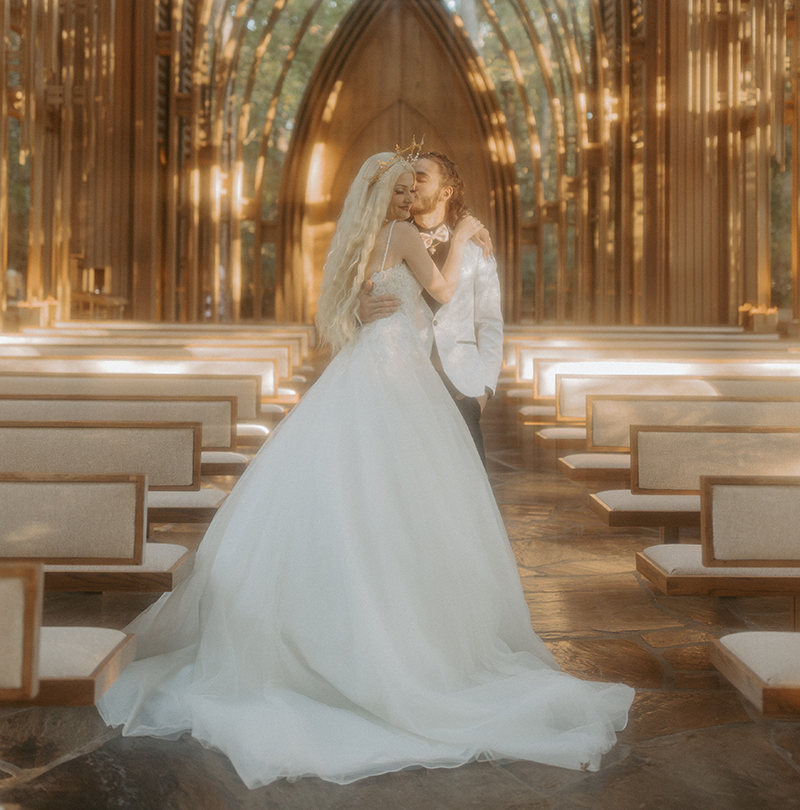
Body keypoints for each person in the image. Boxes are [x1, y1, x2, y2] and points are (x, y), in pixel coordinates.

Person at [98, 148, 633, 788]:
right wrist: (461, 236)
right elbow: (439, 293)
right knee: (399, 505)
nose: (408, 199)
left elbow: (356, 310)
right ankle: (401, 652)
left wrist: (376, 308)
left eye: (414, 188)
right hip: (396, 379)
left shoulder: (361, 241)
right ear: (384, 196)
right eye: (401, 190)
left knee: (360, 500)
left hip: (365, 373)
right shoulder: (404, 235)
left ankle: (336, 641)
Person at [361, 151, 502, 467]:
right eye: (407, 179)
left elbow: (490, 322)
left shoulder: (476, 246)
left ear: (446, 192)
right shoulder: (386, 238)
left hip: (460, 386)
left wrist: (483, 393)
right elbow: (356, 297)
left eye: (421, 178)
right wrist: (361, 310)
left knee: (464, 489)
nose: (412, 185)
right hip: (399, 380)